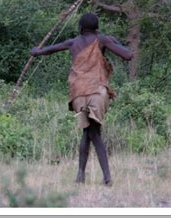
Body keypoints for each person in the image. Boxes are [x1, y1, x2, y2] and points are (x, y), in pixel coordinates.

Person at [30, 13, 133, 186]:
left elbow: (49, 50)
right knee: (93, 132)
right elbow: (128, 55)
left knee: (88, 131)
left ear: (80, 28)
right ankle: (107, 177)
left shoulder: (72, 42)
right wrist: (114, 42)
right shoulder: (102, 40)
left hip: (78, 94)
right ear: (96, 28)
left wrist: (36, 52)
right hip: (96, 93)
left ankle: (80, 176)